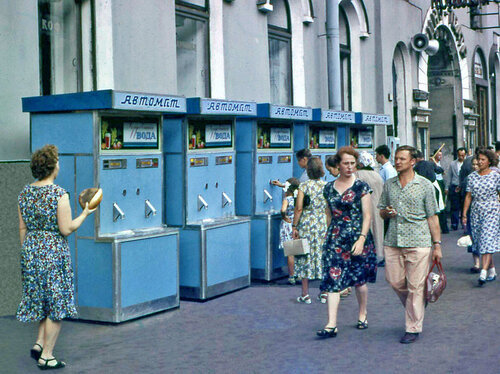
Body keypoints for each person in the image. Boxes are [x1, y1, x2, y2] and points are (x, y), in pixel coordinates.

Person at [17, 145, 96, 369]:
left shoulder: (24, 193)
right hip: (53, 252)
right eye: (58, 160)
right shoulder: (59, 194)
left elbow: (22, 228)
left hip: (30, 251)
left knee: (42, 301)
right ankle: (47, 356)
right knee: (56, 305)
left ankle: (39, 343)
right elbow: (66, 229)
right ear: (53, 167)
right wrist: (84, 213)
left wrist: (29, 253)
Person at [379, 145, 442, 344]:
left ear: (412, 162)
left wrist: (437, 245)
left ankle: (412, 327)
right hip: (393, 240)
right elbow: (381, 210)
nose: (397, 162)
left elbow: (432, 217)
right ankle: (418, 303)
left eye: (402, 159)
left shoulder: (424, 185)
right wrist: (386, 212)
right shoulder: (389, 185)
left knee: (415, 286)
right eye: (396, 158)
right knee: (395, 281)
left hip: (419, 241)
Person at [316, 146, 377, 338]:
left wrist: (361, 239)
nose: (350, 167)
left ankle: (362, 314)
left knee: (359, 281)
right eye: (346, 163)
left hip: (358, 238)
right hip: (336, 238)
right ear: (338, 165)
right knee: (333, 280)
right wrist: (328, 236)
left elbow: (368, 216)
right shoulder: (328, 188)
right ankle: (331, 324)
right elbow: (328, 214)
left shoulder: (361, 187)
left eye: (353, 163)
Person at [462, 148, 500, 286]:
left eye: (483, 159)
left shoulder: (496, 176)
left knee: (487, 239)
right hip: (476, 210)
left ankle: (483, 272)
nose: (480, 162)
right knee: (480, 241)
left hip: (492, 210)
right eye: (479, 159)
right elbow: (468, 196)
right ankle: (492, 271)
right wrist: (464, 213)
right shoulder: (472, 177)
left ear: (490, 161)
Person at [292, 157, 327, 304]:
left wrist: (294, 226)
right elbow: (328, 208)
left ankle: (305, 294)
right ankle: (324, 293)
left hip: (306, 224)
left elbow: (299, 208)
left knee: (304, 256)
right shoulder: (326, 186)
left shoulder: (303, 187)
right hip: (322, 224)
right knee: (322, 256)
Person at [355, 151, 384, 266]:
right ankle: (379, 255)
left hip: (363, 207)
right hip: (377, 206)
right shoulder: (377, 175)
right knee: (378, 230)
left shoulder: (358, 175)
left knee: (365, 230)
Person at [278, 177, 300, 285]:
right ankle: (300, 275)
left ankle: (291, 276)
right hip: (297, 224)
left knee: (290, 253)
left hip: (288, 226)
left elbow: (283, 210)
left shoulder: (286, 200)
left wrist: (284, 216)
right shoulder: (298, 199)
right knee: (298, 252)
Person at [445, 147, 467, 231]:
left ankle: (463, 223)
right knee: (455, 206)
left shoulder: (467, 163)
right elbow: (449, 176)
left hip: (464, 187)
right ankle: (454, 223)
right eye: (459, 155)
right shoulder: (453, 164)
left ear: (465, 155)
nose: (461, 157)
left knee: (463, 205)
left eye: (463, 155)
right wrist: (447, 187)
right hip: (454, 185)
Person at [431, 148, 449, 233]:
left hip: (441, 182)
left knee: (442, 203)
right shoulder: (432, 163)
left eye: (441, 155)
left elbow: (443, 172)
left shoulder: (439, 163)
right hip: (435, 182)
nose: (440, 156)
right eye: (438, 154)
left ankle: (443, 226)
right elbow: (438, 170)